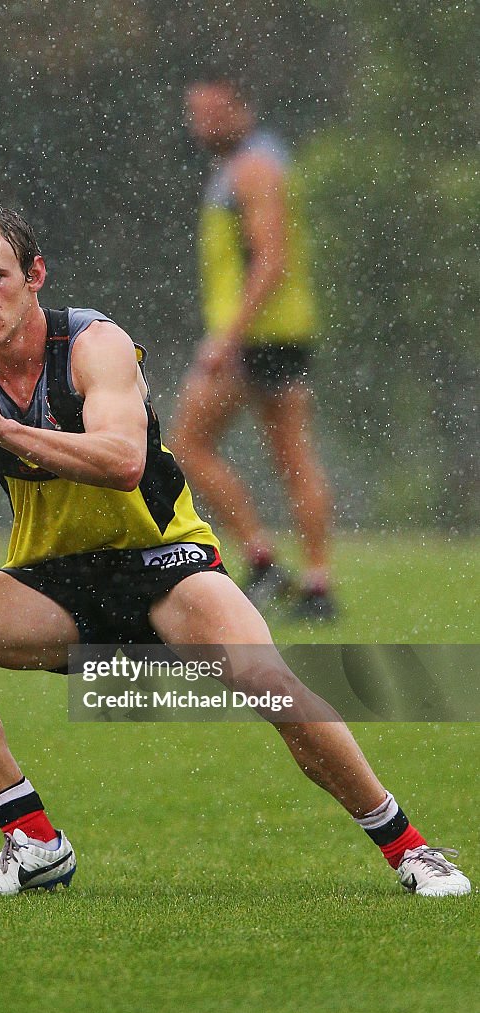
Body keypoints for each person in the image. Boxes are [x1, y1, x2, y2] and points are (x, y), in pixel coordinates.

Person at [0, 202, 470, 898]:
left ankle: (409, 848)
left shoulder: (93, 346)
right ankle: (34, 843)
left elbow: (123, 461)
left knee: (270, 684)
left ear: (34, 275)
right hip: (56, 581)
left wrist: (5, 431)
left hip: (162, 564)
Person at [170, 78, 335, 618]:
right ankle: (316, 586)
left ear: (245, 108)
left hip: (257, 337)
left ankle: (264, 559)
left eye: (216, 112)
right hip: (276, 333)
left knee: (187, 443)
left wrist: (227, 337)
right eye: (197, 114)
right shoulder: (245, 165)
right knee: (292, 456)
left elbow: (270, 259)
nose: (205, 125)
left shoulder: (254, 168)